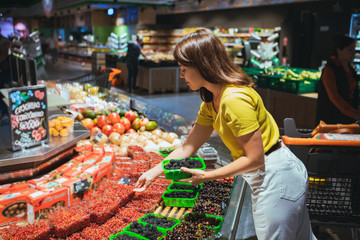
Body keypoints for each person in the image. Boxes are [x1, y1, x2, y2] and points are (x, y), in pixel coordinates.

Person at [134, 28, 316, 240]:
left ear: (203, 65)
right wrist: (154, 172)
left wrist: (207, 176)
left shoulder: (233, 99)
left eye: (184, 69)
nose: (181, 75)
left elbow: (255, 158)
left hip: (276, 177)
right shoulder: (212, 101)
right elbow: (187, 147)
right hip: (271, 174)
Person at [315, 34, 360, 125]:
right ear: (339, 50)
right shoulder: (330, 70)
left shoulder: (351, 70)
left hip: (348, 120)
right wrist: (355, 114)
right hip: (331, 119)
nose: (353, 53)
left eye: (354, 49)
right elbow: (335, 98)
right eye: (350, 49)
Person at [0, 27, 11, 118]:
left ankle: (5, 112)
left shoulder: (4, 41)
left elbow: (5, 54)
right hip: (3, 70)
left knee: (4, 90)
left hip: (4, 70)